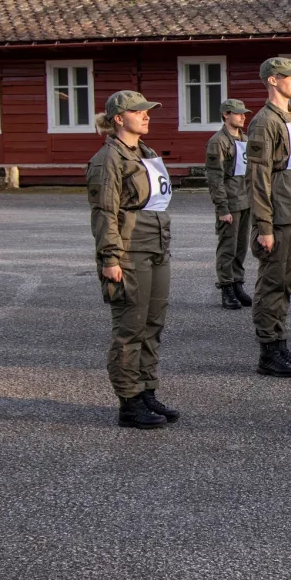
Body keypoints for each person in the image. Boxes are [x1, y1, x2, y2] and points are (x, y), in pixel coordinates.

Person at [86, 90, 178, 429]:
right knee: (130, 328)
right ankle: (128, 401)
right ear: (119, 118)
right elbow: (104, 212)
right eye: (138, 111)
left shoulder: (146, 153)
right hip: (129, 250)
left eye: (147, 110)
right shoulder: (108, 159)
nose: (146, 115)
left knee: (153, 324)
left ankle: (146, 390)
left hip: (156, 246)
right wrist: (110, 258)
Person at [247, 57, 291, 378]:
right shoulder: (264, 122)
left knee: (286, 283)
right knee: (271, 283)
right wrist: (264, 225)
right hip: (278, 217)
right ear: (273, 80)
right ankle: (267, 350)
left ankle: (280, 341)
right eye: (290, 76)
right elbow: (258, 178)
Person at [205, 99, 253, 310]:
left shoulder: (244, 138)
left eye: (244, 113)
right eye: (238, 113)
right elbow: (215, 178)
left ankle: (237, 282)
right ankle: (226, 287)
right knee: (228, 246)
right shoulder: (218, 142)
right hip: (230, 202)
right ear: (226, 114)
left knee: (241, 246)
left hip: (246, 200)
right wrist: (222, 208)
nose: (243, 117)